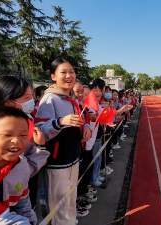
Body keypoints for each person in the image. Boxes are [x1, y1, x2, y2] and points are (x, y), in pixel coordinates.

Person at [35, 59, 92, 225]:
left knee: (70, 199)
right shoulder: (50, 99)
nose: (69, 76)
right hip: (57, 162)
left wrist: (86, 126)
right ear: (53, 76)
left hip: (73, 158)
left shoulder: (70, 99)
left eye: (72, 72)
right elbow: (39, 128)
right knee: (59, 207)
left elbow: (79, 119)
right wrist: (60, 122)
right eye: (63, 72)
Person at [72, 81, 93, 218]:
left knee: (78, 178)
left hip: (81, 147)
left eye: (83, 93)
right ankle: (70, 210)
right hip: (67, 154)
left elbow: (89, 118)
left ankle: (75, 202)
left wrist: (87, 126)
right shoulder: (66, 106)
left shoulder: (81, 106)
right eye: (78, 92)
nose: (80, 95)